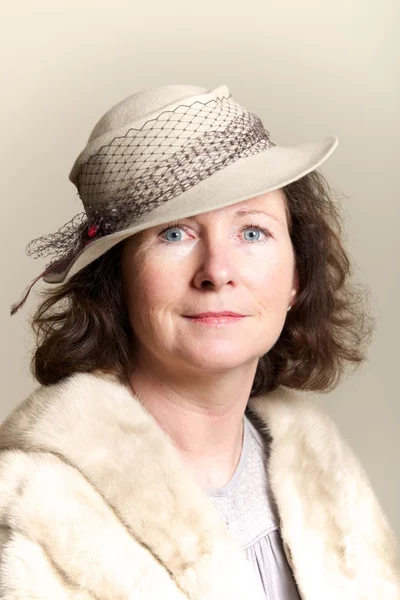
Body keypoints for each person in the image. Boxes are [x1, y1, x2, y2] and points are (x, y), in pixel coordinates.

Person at [2, 84, 400, 600]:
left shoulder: (322, 467)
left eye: (252, 231)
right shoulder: (33, 508)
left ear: (296, 276)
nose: (217, 271)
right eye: (174, 234)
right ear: (116, 282)